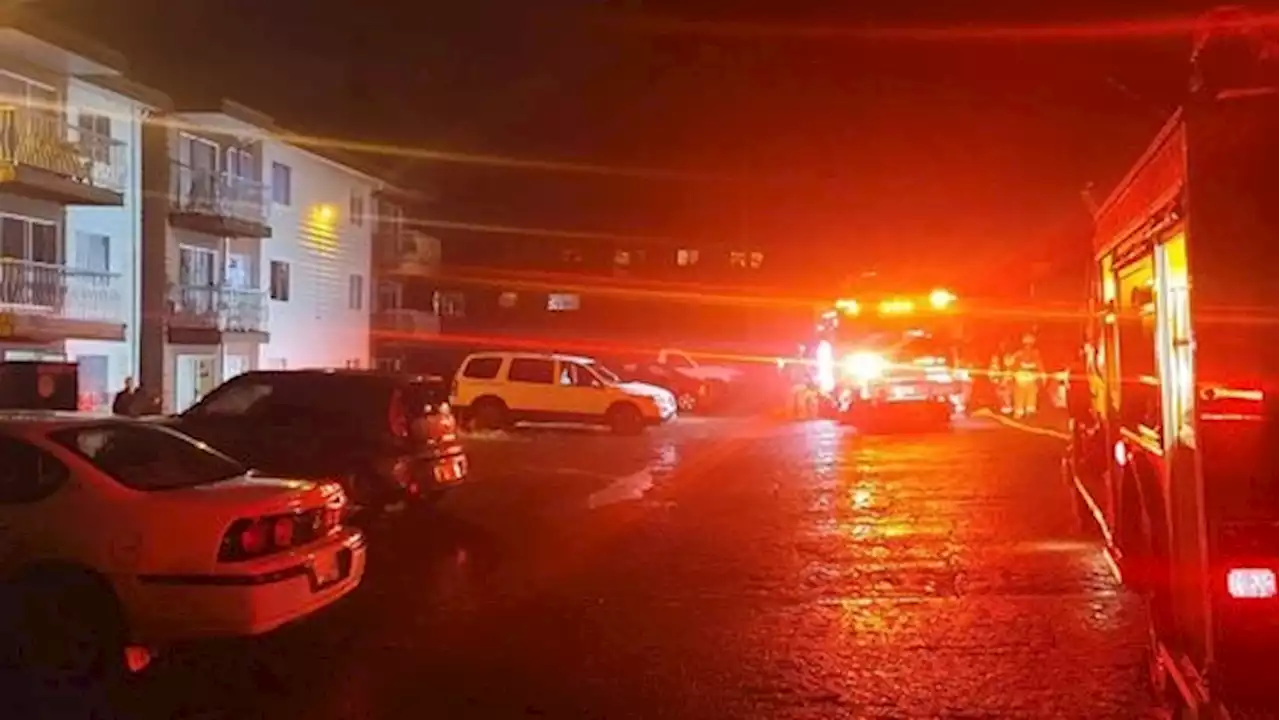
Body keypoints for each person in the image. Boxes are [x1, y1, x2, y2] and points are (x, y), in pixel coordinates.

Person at [1010, 333, 1045, 419]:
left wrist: (1043, 376)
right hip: (1021, 378)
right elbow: (1011, 364)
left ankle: (1029, 412)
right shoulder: (1018, 354)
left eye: (1030, 344)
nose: (1028, 347)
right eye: (1026, 344)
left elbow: (1039, 365)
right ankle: (1020, 412)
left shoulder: (1035, 353)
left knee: (1031, 395)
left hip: (1030, 379)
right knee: (1020, 395)